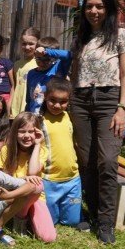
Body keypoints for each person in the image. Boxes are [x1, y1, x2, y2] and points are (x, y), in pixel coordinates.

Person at [69, 0, 125, 244]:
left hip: (109, 99)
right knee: (86, 160)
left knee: (107, 160)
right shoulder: (82, 37)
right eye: (89, 6)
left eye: (99, 6)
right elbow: (75, 72)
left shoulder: (121, 35)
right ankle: (93, 212)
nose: (93, 11)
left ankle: (106, 222)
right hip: (81, 100)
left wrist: (122, 108)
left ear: (108, 9)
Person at [0, 112, 57, 244]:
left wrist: (37, 145)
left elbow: (33, 172)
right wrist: (24, 179)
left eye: (31, 132)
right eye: (22, 131)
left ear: (37, 133)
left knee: (48, 237)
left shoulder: (42, 150)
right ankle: (20, 219)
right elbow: (4, 179)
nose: (27, 136)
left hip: (35, 197)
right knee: (35, 185)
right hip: (13, 194)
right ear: (14, 133)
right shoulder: (7, 150)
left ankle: (24, 214)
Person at [40, 77, 82, 226]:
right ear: (45, 97)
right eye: (52, 100)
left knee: (73, 221)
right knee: (50, 221)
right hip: (49, 180)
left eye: (63, 102)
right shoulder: (39, 120)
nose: (57, 105)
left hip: (73, 180)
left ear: (69, 101)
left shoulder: (69, 117)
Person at [26, 36, 72, 114]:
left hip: (52, 113)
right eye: (39, 58)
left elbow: (68, 55)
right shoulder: (31, 73)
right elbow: (29, 98)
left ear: (55, 57)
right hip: (34, 114)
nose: (42, 62)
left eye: (47, 59)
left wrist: (46, 51)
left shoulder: (58, 69)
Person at [10, 27, 40, 119]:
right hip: (16, 107)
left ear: (38, 44)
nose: (27, 47)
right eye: (24, 44)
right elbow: (14, 86)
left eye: (31, 44)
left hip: (30, 107)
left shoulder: (39, 63)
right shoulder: (16, 64)